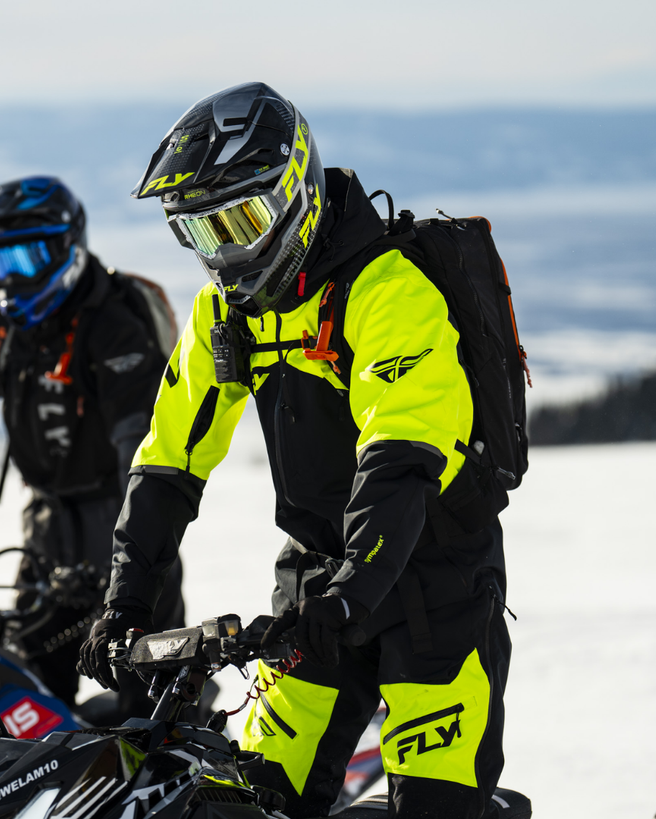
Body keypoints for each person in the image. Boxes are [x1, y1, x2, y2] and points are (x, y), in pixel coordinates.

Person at [78, 83, 512, 819]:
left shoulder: (388, 290)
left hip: (433, 583)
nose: (228, 254)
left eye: (242, 222)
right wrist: (126, 598)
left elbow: (401, 456)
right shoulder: (225, 313)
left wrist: (351, 593)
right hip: (315, 588)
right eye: (205, 233)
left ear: (296, 193)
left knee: (435, 807)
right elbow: (169, 459)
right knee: (246, 798)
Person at [0, 175, 185, 714]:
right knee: (20, 708)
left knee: (150, 714)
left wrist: (130, 568)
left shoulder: (115, 327)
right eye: (0, 260)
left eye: (28, 257)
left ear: (68, 247)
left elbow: (141, 451)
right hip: (43, 541)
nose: (14, 277)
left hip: (127, 536)